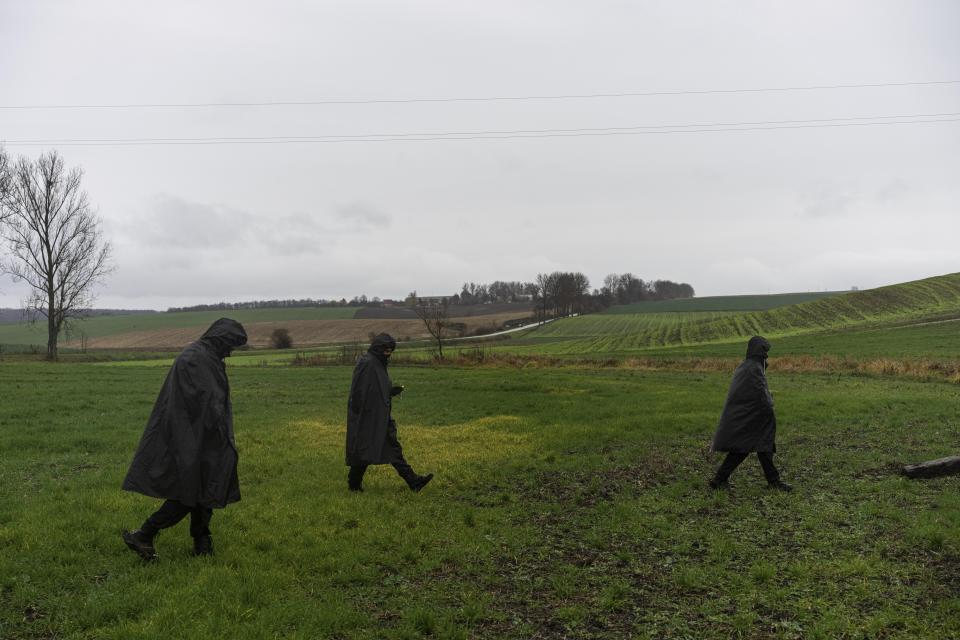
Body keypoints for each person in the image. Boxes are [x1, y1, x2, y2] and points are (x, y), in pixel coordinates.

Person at [121, 318, 248, 560]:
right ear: (220, 339)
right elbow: (206, 403)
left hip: (199, 434)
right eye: (230, 345)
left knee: (205, 484)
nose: (230, 352)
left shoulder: (204, 356)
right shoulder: (197, 359)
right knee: (189, 491)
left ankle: (202, 541)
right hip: (190, 436)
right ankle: (145, 533)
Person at [346, 333, 433, 492]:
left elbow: (375, 388)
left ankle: (414, 481)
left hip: (380, 415)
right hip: (367, 417)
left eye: (390, 350)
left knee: (391, 448)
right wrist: (360, 416)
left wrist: (390, 391)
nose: (388, 353)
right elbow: (358, 391)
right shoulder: (367, 363)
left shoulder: (379, 363)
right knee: (364, 449)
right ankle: (354, 484)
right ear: (378, 348)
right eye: (385, 349)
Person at [709, 335, 792, 491]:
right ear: (759, 352)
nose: (767, 355)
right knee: (750, 448)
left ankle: (720, 480)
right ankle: (772, 482)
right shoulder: (754, 368)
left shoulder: (747, 366)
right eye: (765, 351)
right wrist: (770, 404)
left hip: (749, 415)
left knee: (754, 448)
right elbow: (760, 393)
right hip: (753, 416)